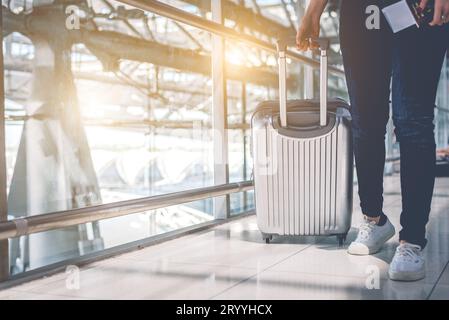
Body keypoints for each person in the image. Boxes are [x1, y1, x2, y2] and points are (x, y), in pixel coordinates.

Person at [297, 0, 449, 281]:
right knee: (366, 120)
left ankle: (412, 240)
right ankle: (374, 220)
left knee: (412, 119)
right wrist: (314, 9)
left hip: (418, 5)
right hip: (360, 9)